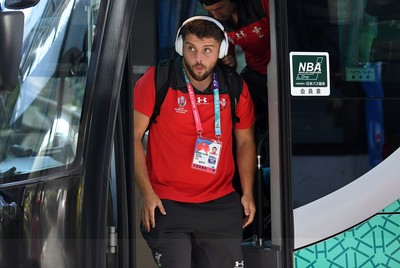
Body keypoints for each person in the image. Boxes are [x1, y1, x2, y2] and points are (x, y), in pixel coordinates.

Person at [133, 15, 256, 268]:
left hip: (220, 206)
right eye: (191, 49)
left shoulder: (234, 86)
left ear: (220, 51)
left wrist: (247, 192)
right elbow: (132, 137)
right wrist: (147, 194)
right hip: (168, 205)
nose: (199, 59)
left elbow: (245, 141)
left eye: (207, 50)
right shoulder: (158, 80)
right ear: (181, 48)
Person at [198, 0, 270, 118]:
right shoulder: (218, 22)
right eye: (211, 11)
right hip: (255, 72)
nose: (216, 15)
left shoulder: (261, 4)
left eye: (220, 8)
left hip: (283, 68)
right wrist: (228, 61)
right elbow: (229, 58)